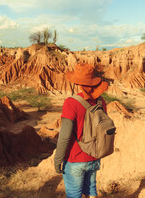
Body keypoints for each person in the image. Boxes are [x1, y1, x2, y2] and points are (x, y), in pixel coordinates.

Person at [54, 63, 109, 198]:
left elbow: (65, 136)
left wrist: (58, 159)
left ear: (77, 83)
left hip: (75, 159)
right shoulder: (101, 102)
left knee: (74, 195)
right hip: (94, 156)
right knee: (91, 191)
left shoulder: (71, 103)